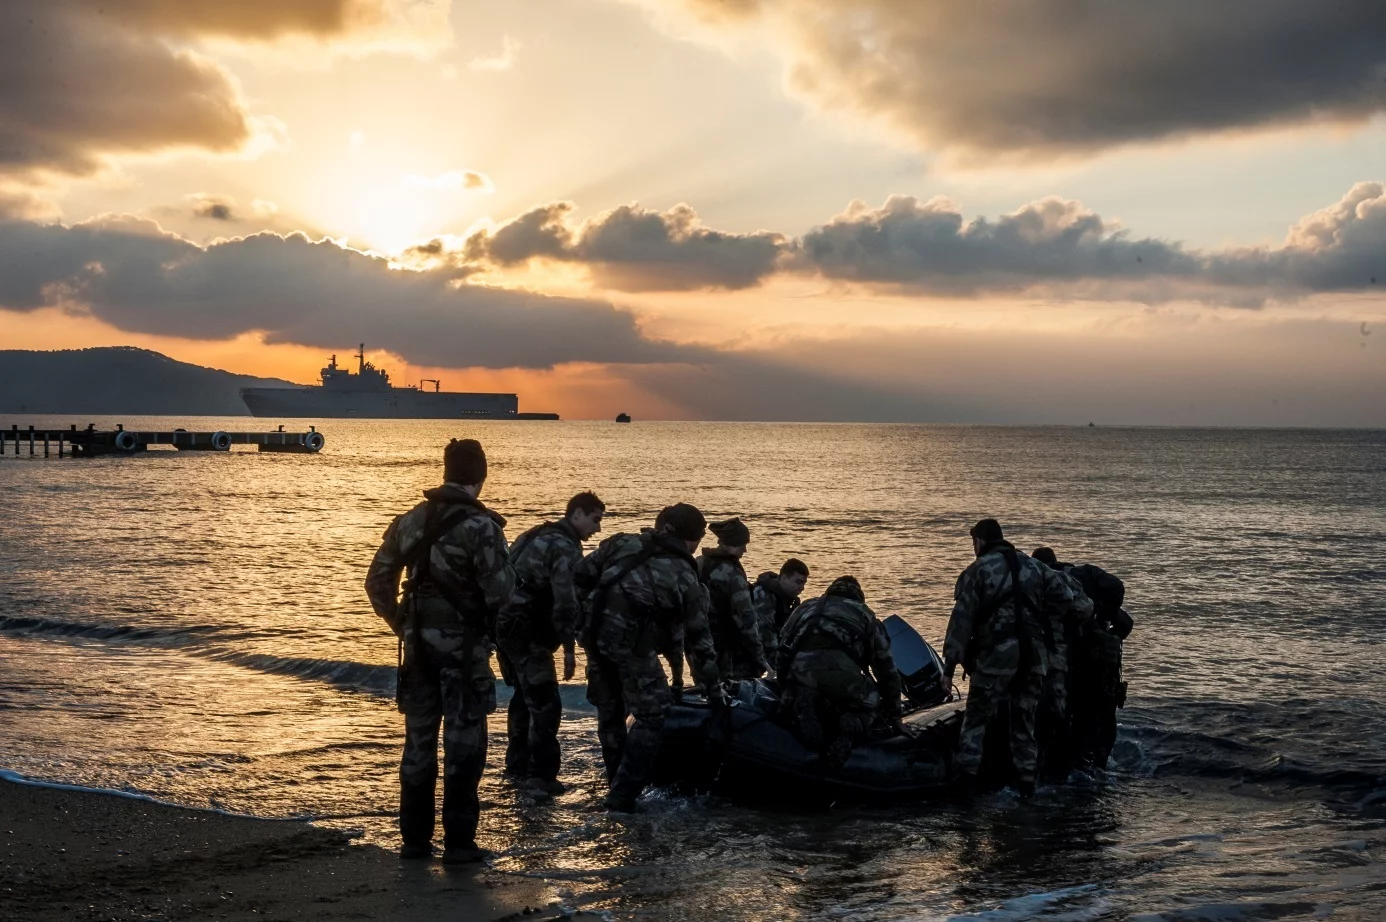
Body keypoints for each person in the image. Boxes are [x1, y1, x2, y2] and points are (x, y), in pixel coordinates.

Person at [365, 438, 514, 862]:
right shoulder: (483, 527)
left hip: (416, 649)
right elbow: (500, 592)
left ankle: (414, 842)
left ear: (447, 471)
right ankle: (460, 844)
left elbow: (377, 583)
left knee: (418, 741)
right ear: (480, 477)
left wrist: (404, 624)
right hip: (464, 652)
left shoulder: (410, 520)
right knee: (465, 745)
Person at [574, 502, 721, 812]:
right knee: (653, 715)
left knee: (610, 711)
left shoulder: (622, 541)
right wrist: (714, 690)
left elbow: (582, 573)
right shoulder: (684, 574)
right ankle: (623, 796)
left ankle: (615, 781)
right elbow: (700, 640)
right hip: (632, 646)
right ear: (691, 540)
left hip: (594, 635)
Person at [942, 519, 1087, 796]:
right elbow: (1067, 597)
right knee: (1024, 723)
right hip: (1033, 657)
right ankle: (1026, 787)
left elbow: (961, 622)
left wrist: (948, 669)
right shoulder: (1034, 566)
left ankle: (964, 788)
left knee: (976, 721)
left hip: (996, 657)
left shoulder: (977, 571)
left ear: (980, 541)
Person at [495, 492, 606, 798]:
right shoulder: (564, 546)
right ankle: (541, 776)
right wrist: (570, 648)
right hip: (527, 631)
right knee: (546, 703)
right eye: (595, 520)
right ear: (578, 514)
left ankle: (516, 767)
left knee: (524, 697)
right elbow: (565, 601)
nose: (596, 529)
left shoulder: (534, 535)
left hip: (505, 627)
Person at [776, 575, 906, 768]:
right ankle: (852, 726)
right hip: (843, 677)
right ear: (858, 597)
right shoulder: (865, 614)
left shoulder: (805, 608)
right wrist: (894, 714)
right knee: (871, 699)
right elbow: (886, 669)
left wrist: (784, 689)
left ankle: (803, 708)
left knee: (804, 689)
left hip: (800, 673)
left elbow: (782, 648)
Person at [1032, 546, 1131, 770]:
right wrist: (1103, 624)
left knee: (1065, 712)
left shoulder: (1046, 584)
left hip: (1070, 663)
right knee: (1100, 714)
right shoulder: (1084, 576)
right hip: (1097, 666)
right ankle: (1099, 764)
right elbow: (1125, 621)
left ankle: (1065, 763)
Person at [699, 517, 773, 681]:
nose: (745, 550)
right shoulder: (733, 575)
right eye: (741, 545)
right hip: (724, 646)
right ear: (727, 544)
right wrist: (760, 657)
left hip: (697, 643)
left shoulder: (700, 562)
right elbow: (746, 619)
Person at [751, 558, 809, 663]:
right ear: (783, 578)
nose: (802, 588)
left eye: (804, 583)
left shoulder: (787, 600)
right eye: (798, 582)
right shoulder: (764, 596)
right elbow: (765, 635)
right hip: (745, 655)